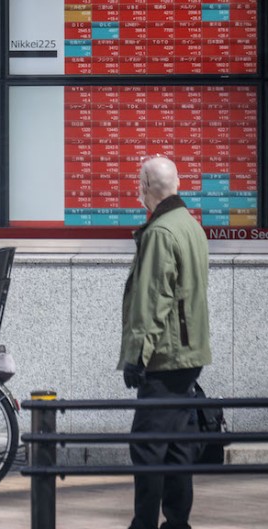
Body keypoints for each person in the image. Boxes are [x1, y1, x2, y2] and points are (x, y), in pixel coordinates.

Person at [119, 155, 211, 529]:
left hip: (165, 356)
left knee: (148, 445)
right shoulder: (190, 226)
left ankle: (144, 525)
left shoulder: (160, 232)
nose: (137, 190)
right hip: (190, 354)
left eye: (139, 183)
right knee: (177, 447)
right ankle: (177, 523)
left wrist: (137, 357)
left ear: (145, 186)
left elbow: (153, 299)